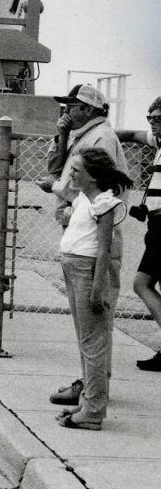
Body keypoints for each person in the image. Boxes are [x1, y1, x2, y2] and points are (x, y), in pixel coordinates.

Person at [50, 147, 132, 429]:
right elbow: (65, 192)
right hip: (73, 268)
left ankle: (94, 411)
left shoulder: (105, 204)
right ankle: (88, 401)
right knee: (85, 339)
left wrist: (98, 288)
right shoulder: (86, 197)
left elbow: (104, 250)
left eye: (76, 170)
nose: (70, 174)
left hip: (87, 271)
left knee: (93, 343)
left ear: (93, 176)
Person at [40, 84, 129, 229]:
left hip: (93, 222)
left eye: (71, 107)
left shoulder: (101, 137)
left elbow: (98, 186)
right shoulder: (82, 135)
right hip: (79, 217)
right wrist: (63, 136)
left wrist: (54, 186)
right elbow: (55, 169)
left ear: (88, 109)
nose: (65, 112)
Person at [116, 95, 161, 371]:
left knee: (141, 283)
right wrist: (106, 135)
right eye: (150, 118)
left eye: (158, 118)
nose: (152, 123)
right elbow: (132, 134)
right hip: (156, 223)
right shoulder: (159, 142)